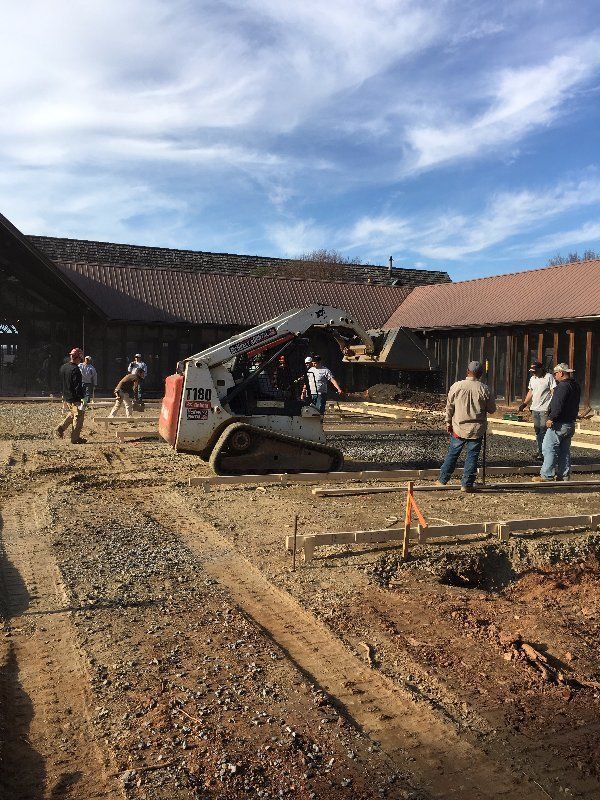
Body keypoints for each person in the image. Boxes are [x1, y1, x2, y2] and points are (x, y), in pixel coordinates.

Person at [437, 360, 496, 492]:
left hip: (458, 428)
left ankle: (442, 480)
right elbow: (492, 409)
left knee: (452, 454)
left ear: (467, 371)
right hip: (476, 430)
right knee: (472, 456)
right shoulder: (485, 389)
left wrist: (448, 422)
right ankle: (467, 484)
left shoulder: (456, 386)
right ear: (480, 374)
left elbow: (449, 407)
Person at [532, 363, 580, 482]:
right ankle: (564, 475)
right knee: (564, 451)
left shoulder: (562, 387)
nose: (554, 376)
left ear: (561, 373)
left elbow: (558, 404)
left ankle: (546, 475)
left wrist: (551, 417)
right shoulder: (575, 385)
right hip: (570, 422)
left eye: (556, 373)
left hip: (559, 423)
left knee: (549, 448)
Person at [518, 361, 556, 461]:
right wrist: (525, 403)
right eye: (532, 371)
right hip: (534, 409)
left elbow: (553, 391)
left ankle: (545, 453)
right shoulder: (533, 379)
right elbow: (531, 391)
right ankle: (540, 452)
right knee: (538, 431)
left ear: (540, 369)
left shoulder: (549, 377)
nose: (533, 373)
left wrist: (554, 406)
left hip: (545, 409)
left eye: (535, 371)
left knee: (544, 430)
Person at [55, 347, 87, 443]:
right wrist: (82, 398)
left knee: (73, 414)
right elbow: (78, 386)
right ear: (78, 358)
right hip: (74, 398)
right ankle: (75, 438)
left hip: (66, 396)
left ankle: (60, 428)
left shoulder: (63, 367)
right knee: (79, 416)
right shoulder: (75, 370)